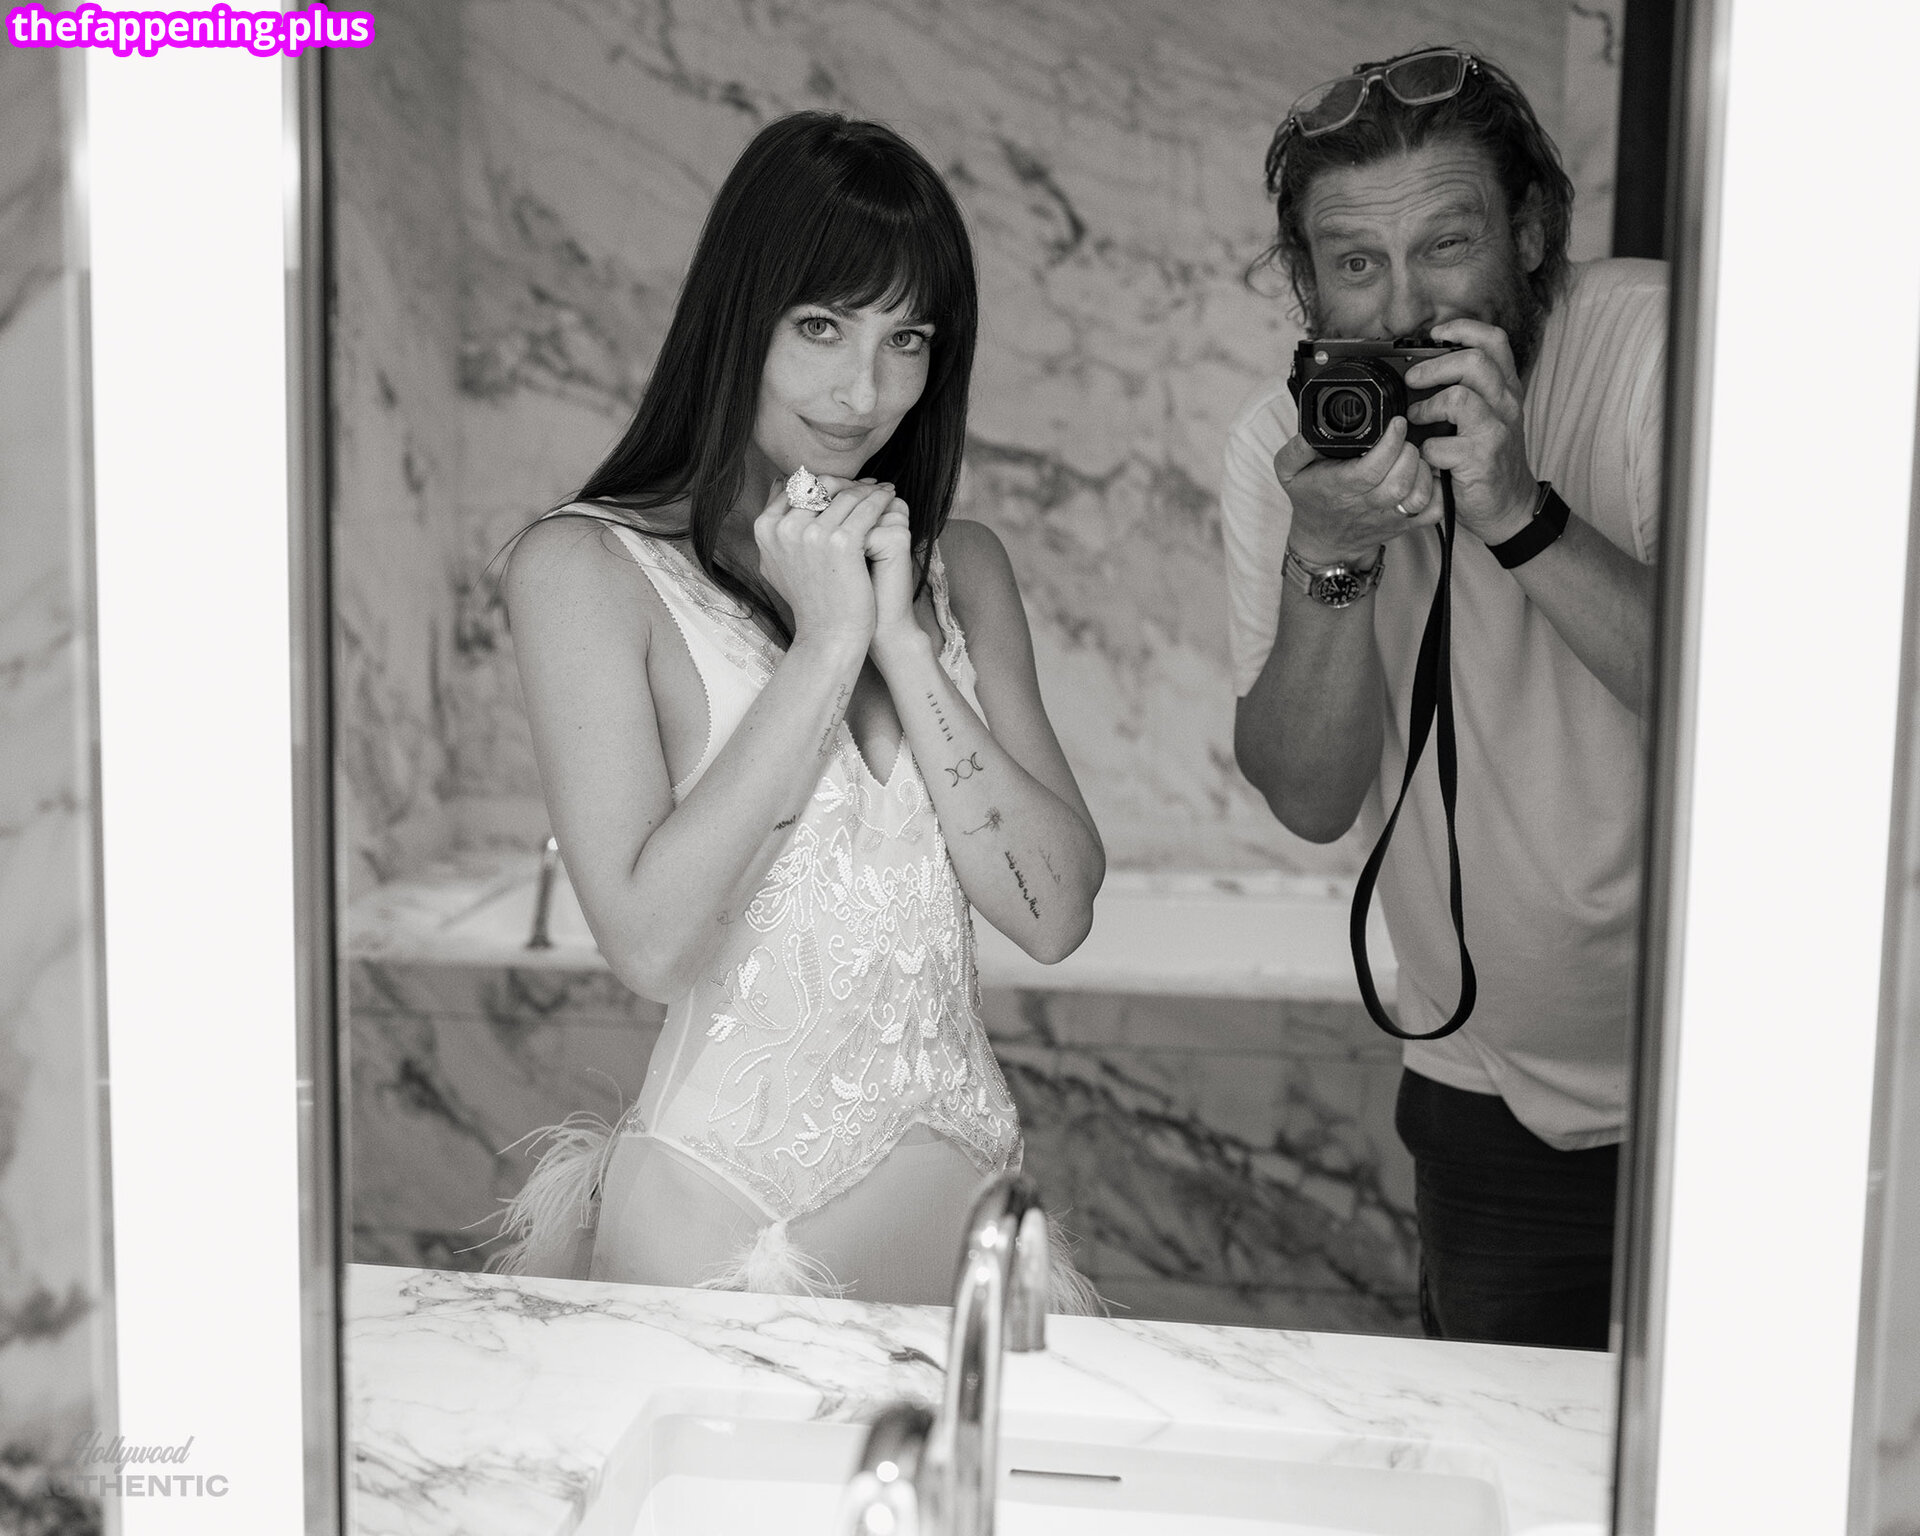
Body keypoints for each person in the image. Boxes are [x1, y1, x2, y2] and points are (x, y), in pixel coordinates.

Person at [492, 112, 1105, 1308]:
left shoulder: (963, 568)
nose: (863, 390)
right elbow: (651, 946)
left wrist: (901, 639)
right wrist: (824, 646)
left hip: (960, 1217)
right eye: (821, 326)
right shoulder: (584, 569)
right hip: (718, 1225)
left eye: (906, 339)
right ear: (741, 317)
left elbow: (1056, 914)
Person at [1222, 48, 1666, 1349]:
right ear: (1308, 284)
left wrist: (1519, 514)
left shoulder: (1658, 354)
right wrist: (1331, 551)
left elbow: (1765, 720)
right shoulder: (1284, 447)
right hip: (1486, 1098)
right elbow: (1310, 799)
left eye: (1447, 245)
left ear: (1528, 234)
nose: (1405, 305)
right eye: (1357, 264)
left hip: (1743, 1076)